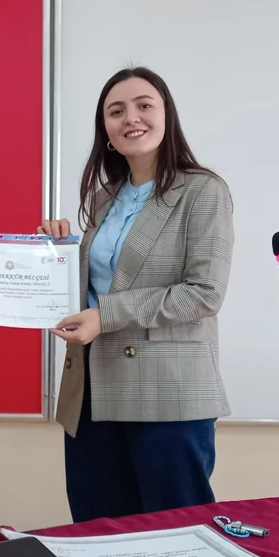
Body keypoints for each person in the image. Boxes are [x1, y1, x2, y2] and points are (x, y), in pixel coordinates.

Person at [42, 66, 234, 522]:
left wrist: (104, 316)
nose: (131, 118)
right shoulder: (106, 197)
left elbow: (204, 294)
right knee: (98, 530)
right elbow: (99, 285)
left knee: (174, 532)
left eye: (144, 105)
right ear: (106, 130)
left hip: (166, 393)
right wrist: (55, 255)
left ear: (167, 115)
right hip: (91, 389)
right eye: (116, 111)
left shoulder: (203, 191)